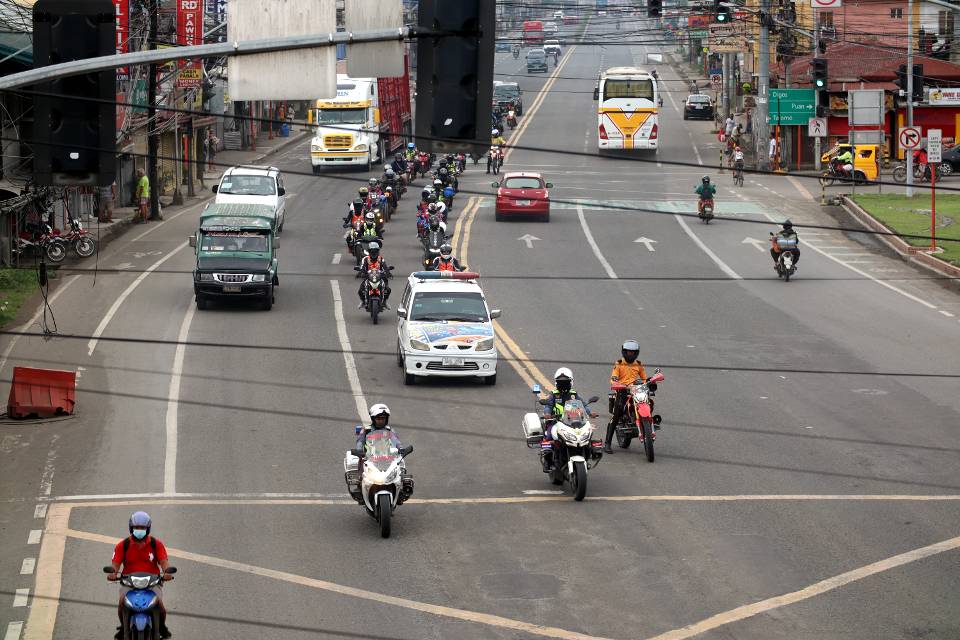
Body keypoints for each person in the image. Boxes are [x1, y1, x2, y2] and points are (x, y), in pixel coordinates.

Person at [107, 512, 173, 639]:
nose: (139, 530)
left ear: (147, 529)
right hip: (129, 582)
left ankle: (162, 627)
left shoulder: (156, 544)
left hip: (153, 582)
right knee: (122, 603)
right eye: (136, 527)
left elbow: (164, 561)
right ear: (131, 528)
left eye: (142, 528)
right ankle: (123, 628)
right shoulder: (123, 545)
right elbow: (115, 564)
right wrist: (113, 573)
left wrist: (167, 572)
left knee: (160, 606)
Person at [605, 339, 648, 453]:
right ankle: (607, 443)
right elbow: (613, 378)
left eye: (633, 352)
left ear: (636, 353)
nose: (630, 354)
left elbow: (644, 378)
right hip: (623, 391)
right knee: (616, 415)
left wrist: (647, 384)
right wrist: (617, 384)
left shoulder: (638, 364)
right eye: (628, 352)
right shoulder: (619, 363)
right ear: (624, 352)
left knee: (648, 402)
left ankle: (648, 423)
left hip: (636, 391)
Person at [357, 241, 391, 308]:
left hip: (380, 277)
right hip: (368, 277)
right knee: (360, 290)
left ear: (378, 251)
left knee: (388, 289)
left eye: (375, 251)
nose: (374, 252)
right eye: (372, 251)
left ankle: (384, 302)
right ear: (369, 251)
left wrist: (388, 272)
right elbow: (362, 267)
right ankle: (363, 302)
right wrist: (361, 272)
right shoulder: (365, 259)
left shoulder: (381, 259)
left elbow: (385, 267)